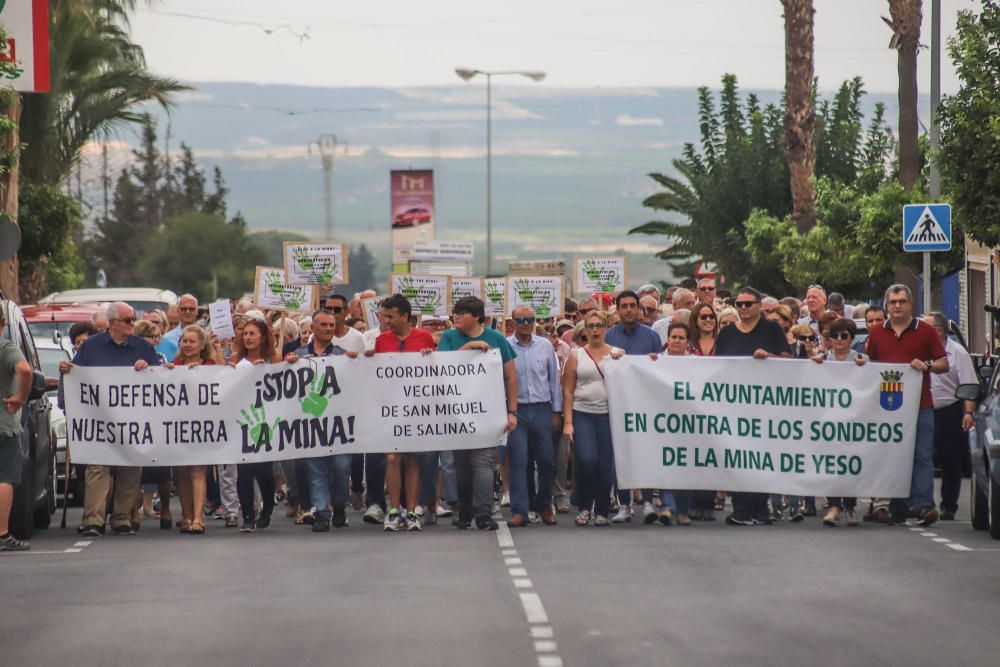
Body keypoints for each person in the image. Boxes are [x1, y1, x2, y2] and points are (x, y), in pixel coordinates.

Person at [60, 302, 161, 537]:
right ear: (113, 323)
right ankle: (93, 519)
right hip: (99, 421)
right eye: (128, 320)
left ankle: (121, 518)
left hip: (133, 421)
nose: (132, 324)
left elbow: (159, 379)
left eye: (133, 319)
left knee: (130, 469)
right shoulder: (91, 347)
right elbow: (76, 378)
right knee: (97, 468)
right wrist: (67, 370)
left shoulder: (142, 347)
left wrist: (148, 369)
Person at [865, 284, 948, 526]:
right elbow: (870, 366)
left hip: (920, 405)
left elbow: (944, 363)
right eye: (893, 302)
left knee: (921, 455)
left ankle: (924, 505)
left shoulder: (925, 331)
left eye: (902, 301)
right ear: (886, 305)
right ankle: (898, 506)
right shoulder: (878, 333)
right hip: (887, 407)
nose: (898, 306)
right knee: (892, 455)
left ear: (911, 304)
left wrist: (927, 365)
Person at [436, 296, 517, 531]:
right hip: (457, 412)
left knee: (482, 462)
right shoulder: (450, 337)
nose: (456, 317)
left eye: (462, 313)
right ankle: (465, 510)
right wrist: (469, 347)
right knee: (461, 465)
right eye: (455, 313)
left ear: (477, 317)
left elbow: (510, 377)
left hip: (486, 411)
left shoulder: (497, 339)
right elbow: (443, 365)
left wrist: (512, 411)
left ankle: (483, 513)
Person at [715, 287, 789, 526]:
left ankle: (760, 508)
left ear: (759, 305)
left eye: (748, 304)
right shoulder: (726, 334)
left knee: (761, 457)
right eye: (740, 304)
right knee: (738, 457)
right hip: (735, 407)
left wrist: (769, 357)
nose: (743, 308)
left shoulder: (772, 329)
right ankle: (741, 509)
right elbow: (716, 368)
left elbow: (790, 364)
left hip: (764, 407)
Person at [285, 308, 357, 532]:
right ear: (313, 328)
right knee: (315, 469)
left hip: (338, 423)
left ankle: (338, 505)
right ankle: (322, 513)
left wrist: (356, 363)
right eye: (323, 325)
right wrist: (287, 365)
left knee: (341, 467)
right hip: (310, 424)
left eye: (331, 325)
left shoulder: (342, 354)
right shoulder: (298, 354)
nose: (328, 329)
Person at [369, 295, 437, 532]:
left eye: (390, 316)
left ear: (405, 316)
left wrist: (431, 355)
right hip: (391, 406)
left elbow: (438, 368)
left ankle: (411, 510)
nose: (385, 321)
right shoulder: (382, 340)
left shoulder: (424, 337)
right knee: (392, 457)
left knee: (412, 458)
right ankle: (394, 509)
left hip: (417, 406)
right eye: (383, 316)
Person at [606, 290, 667, 524]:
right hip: (619, 403)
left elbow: (661, 367)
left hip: (646, 404)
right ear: (618, 310)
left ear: (639, 309)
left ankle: (649, 502)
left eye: (633, 305)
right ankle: (624, 505)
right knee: (619, 455)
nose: (629, 310)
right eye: (625, 306)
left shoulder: (651, 337)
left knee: (647, 452)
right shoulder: (610, 336)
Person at [505, 305, 561, 527]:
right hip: (516, 409)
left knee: (547, 461)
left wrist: (556, 411)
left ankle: (544, 504)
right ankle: (520, 510)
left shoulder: (545, 346)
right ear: (512, 323)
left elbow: (554, 380)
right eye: (521, 320)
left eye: (530, 319)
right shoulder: (505, 346)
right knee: (519, 461)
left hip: (542, 408)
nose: (526, 323)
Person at [563, 310, 618, 526]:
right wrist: (568, 422)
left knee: (604, 464)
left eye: (599, 325)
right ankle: (585, 505)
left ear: (606, 328)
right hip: (582, 413)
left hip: (607, 415)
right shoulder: (576, 355)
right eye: (591, 326)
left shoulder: (616, 353)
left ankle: (602, 509)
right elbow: (567, 389)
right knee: (586, 460)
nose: (595, 330)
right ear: (585, 329)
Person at [810, 317, 867, 527]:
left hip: (853, 421)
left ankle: (850, 506)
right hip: (829, 422)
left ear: (852, 338)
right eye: (835, 336)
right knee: (831, 463)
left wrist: (865, 367)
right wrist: (814, 364)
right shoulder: (823, 359)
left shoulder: (862, 359)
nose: (839, 340)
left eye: (844, 336)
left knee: (849, 463)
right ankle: (834, 505)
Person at [923, 312, 976, 521]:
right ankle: (921, 503)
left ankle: (949, 505)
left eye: (926, 328)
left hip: (949, 410)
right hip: (923, 409)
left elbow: (969, 385)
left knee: (950, 459)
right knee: (920, 457)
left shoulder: (958, 353)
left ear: (938, 330)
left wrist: (968, 412)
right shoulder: (919, 349)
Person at [232, 318, 282, 533]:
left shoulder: (273, 359)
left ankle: (268, 507)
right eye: (246, 334)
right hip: (242, 420)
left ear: (262, 336)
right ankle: (248, 516)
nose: (248, 338)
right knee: (243, 470)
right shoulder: (236, 359)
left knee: (263, 469)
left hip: (267, 421)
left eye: (253, 334)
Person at [170, 324, 219, 534]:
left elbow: (227, 372)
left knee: (198, 470)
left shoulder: (210, 364)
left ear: (202, 344)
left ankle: (198, 519)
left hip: (202, 425)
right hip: (179, 425)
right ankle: (186, 515)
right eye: (185, 341)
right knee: (181, 472)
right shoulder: (175, 364)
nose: (187, 345)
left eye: (192, 341)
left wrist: (221, 348)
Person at [0, 309, 34, 551]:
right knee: (4, 478)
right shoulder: (5, 347)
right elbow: (24, 369)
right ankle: (2, 534)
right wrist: (20, 397)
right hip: (3, 424)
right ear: (3, 322)